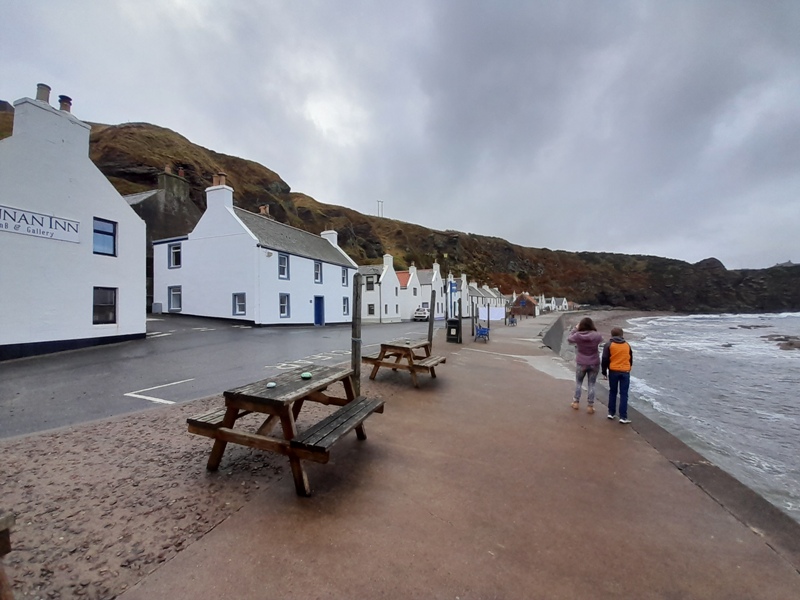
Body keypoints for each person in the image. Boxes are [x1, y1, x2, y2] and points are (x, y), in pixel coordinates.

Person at [567, 317, 603, 414]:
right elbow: (601, 339)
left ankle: (576, 402)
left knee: (579, 382)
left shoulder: (578, 335)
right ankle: (590, 406)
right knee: (591, 384)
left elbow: (569, 339)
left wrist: (575, 328)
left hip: (581, 362)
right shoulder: (597, 335)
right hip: (594, 362)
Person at [602, 326, 633, 424]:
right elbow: (630, 359)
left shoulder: (609, 345)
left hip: (613, 371)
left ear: (612, 335)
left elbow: (605, 359)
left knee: (613, 392)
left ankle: (611, 413)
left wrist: (604, 371)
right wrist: (628, 368)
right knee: (624, 394)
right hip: (625, 371)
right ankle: (623, 417)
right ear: (622, 335)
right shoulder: (627, 345)